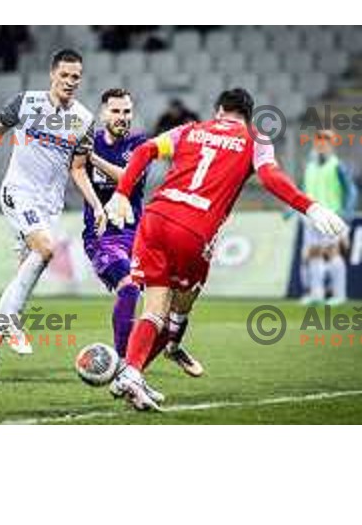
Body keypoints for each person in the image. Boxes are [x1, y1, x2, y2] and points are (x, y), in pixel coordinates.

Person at [104, 88, 348, 410]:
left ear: (219, 110)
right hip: (193, 229)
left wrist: (122, 193)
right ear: (248, 116)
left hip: (155, 217)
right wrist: (311, 207)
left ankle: (135, 371)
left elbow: (145, 150)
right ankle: (158, 354)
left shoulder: (190, 129)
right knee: (180, 306)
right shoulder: (255, 139)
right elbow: (271, 177)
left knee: (153, 308)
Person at [0, 49, 102, 382]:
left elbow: (78, 168)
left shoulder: (84, 120)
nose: (71, 82)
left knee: (22, 279)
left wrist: (96, 204)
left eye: (76, 77)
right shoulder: (26, 103)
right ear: (52, 75)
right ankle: (8, 326)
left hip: (49, 205)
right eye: (65, 75)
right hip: (17, 191)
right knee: (46, 249)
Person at [82, 88, 202, 383]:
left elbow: (128, 178)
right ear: (103, 114)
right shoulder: (88, 141)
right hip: (101, 237)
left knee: (172, 296)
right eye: (116, 111)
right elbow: (73, 171)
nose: (122, 117)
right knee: (129, 286)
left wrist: (92, 158)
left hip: (138, 235)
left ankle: (172, 344)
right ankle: (124, 363)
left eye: (126, 112)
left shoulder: (140, 144)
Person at [299, 129, 357, 305]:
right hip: (311, 217)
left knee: (333, 252)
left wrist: (346, 211)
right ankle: (317, 294)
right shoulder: (310, 166)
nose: (322, 145)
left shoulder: (337, 165)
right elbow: (303, 190)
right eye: (319, 141)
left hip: (331, 216)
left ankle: (339, 295)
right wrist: (292, 209)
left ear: (332, 145)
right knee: (313, 254)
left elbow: (351, 190)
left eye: (326, 142)